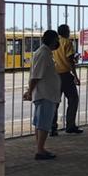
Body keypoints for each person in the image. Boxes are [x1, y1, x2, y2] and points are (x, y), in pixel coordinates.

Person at [24, 30, 62, 160]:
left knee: (40, 123)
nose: (58, 43)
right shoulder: (44, 54)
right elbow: (36, 76)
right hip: (45, 94)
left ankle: (40, 148)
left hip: (45, 93)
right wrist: (29, 91)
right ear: (52, 40)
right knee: (44, 124)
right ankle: (40, 150)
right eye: (57, 40)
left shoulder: (43, 52)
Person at [50, 24, 82, 135]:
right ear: (66, 32)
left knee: (54, 102)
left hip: (54, 76)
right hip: (65, 75)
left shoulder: (54, 42)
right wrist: (76, 76)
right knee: (73, 99)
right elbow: (70, 60)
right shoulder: (67, 42)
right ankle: (70, 125)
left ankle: (52, 128)